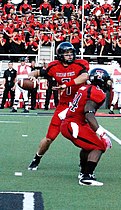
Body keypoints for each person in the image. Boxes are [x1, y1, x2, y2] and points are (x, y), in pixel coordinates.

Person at [27, 42, 89, 170]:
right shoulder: (54, 66)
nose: (70, 56)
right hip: (63, 106)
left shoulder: (80, 64)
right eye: (66, 54)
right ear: (60, 55)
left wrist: (67, 84)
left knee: (85, 136)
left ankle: (84, 161)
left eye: (71, 53)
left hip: (79, 105)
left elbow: (84, 76)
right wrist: (31, 76)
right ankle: (36, 158)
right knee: (50, 137)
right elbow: (38, 72)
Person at [60, 69, 112, 186]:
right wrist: (101, 133)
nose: (109, 83)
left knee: (89, 145)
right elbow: (88, 113)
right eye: (107, 80)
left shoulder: (85, 88)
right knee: (99, 145)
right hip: (74, 124)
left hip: (73, 122)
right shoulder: (96, 92)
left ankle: (83, 171)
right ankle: (86, 176)